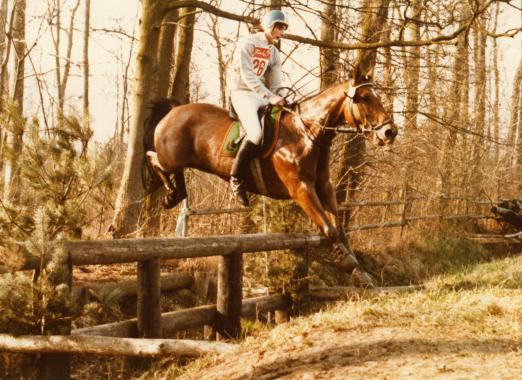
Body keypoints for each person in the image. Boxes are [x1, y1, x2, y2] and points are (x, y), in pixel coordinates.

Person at [229, 9, 289, 206]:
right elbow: (248, 75)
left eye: (283, 28)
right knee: (255, 133)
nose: (282, 32)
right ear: (269, 26)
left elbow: (276, 80)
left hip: (260, 94)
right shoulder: (247, 43)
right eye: (279, 27)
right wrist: (269, 96)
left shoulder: (274, 52)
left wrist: (282, 95)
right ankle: (236, 179)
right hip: (242, 93)